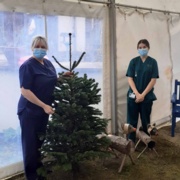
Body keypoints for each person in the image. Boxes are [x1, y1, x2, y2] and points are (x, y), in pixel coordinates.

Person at [17, 36, 57, 180]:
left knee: (40, 142)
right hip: (29, 110)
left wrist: (64, 77)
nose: (40, 49)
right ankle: (32, 176)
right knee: (30, 145)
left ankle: (39, 170)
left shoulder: (48, 63)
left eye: (43, 47)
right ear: (32, 48)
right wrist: (43, 105)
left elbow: (51, 80)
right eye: (37, 46)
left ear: (46, 48)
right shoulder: (27, 66)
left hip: (43, 111)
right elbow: (25, 90)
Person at [126, 39, 159, 143]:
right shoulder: (133, 62)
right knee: (132, 120)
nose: (142, 49)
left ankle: (146, 140)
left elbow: (153, 80)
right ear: (137, 49)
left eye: (144, 47)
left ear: (148, 48)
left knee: (145, 120)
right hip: (133, 96)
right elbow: (130, 78)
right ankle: (131, 141)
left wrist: (143, 95)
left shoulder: (153, 62)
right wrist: (136, 93)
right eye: (140, 47)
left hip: (146, 96)